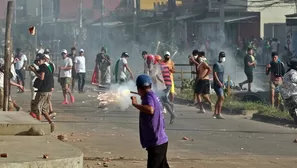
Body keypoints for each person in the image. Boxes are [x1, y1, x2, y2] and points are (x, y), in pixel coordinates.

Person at [131, 74, 170, 168]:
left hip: (156, 142)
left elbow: (150, 110)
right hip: (160, 140)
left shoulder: (148, 96)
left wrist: (135, 104)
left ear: (139, 88)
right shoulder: (152, 95)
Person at [29, 54, 55, 132]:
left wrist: (34, 71)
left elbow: (41, 77)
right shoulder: (46, 67)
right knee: (43, 109)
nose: (38, 62)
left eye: (39, 60)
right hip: (48, 91)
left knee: (38, 108)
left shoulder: (43, 67)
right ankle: (51, 122)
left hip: (43, 91)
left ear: (43, 60)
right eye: (37, 61)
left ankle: (39, 125)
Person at [156, 55, 176, 124]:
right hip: (168, 84)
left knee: (162, 99)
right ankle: (171, 110)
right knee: (162, 99)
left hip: (165, 84)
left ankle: (171, 106)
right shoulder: (164, 64)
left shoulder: (158, 66)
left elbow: (157, 76)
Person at [213, 52, 226, 119]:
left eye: (224, 57)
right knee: (221, 97)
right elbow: (215, 74)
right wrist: (218, 82)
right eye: (222, 56)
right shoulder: (216, 64)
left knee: (220, 99)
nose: (223, 58)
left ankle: (216, 113)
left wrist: (223, 83)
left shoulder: (223, 65)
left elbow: (222, 75)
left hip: (221, 84)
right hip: (217, 84)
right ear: (219, 57)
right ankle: (219, 113)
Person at [44, 53, 56, 118]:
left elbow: (50, 75)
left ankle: (51, 112)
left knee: (48, 99)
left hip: (49, 83)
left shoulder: (49, 65)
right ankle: (50, 111)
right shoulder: (49, 65)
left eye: (45, 58)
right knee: (47, 99)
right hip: (48, 83)